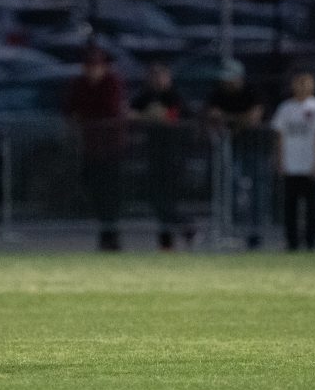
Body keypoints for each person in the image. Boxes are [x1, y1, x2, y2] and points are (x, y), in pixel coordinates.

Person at [64, 45, 126, 251]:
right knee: (93, 190)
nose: (92, 70)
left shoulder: (111, 83)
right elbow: (69, 109)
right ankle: (105, 232)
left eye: (96, 66)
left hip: (111, 149)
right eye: (89, 66)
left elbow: (109, 109)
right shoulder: (80, 84)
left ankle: (111, 236)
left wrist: (85, 116)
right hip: (90, 148)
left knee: (111, 193)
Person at [129, 62, 195, 250]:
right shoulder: (146, 96)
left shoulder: (175, 96)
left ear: (168, 77)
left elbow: (171, 117)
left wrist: (152, 116)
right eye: (154, 76)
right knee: (156, 199)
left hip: (174, 155)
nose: (157, 80)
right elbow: (130, 113)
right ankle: (176, 233)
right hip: (154, 154)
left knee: (168, 198)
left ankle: (178, 231)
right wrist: (151, 116)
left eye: (161, 75)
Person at [205, 58, 268, 249]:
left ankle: (255, 234)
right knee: (227, 186)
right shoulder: (218, 92)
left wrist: (230, 120)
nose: (227, 83)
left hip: (255, 148)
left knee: (257, 191)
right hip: (230, 147)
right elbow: (212, 115)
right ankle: (230, 230)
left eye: (230, 79)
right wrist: (238, 121)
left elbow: (253, 119)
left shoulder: (252, 92)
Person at [270, 71, 315, 251]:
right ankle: (292, 243)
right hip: (291, 165)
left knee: (311, 208)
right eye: (298, 83)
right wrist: (280, 160)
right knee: (290, 207)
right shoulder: (285, 108)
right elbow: (279, 136)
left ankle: (311, 243)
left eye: (305, 83)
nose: (302, 87)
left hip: (309, 165)